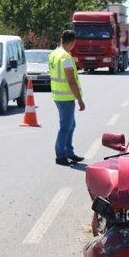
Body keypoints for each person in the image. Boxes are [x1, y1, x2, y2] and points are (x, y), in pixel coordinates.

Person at [49, 30, 86, 166]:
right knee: (65, 127)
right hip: (66, 97)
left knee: (71, 125)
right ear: (71, 43)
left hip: (57, 95)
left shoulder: (54, 54)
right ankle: (61, 155)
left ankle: (69, 152)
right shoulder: (66, 58)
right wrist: (80, 100)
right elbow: (71, 81)